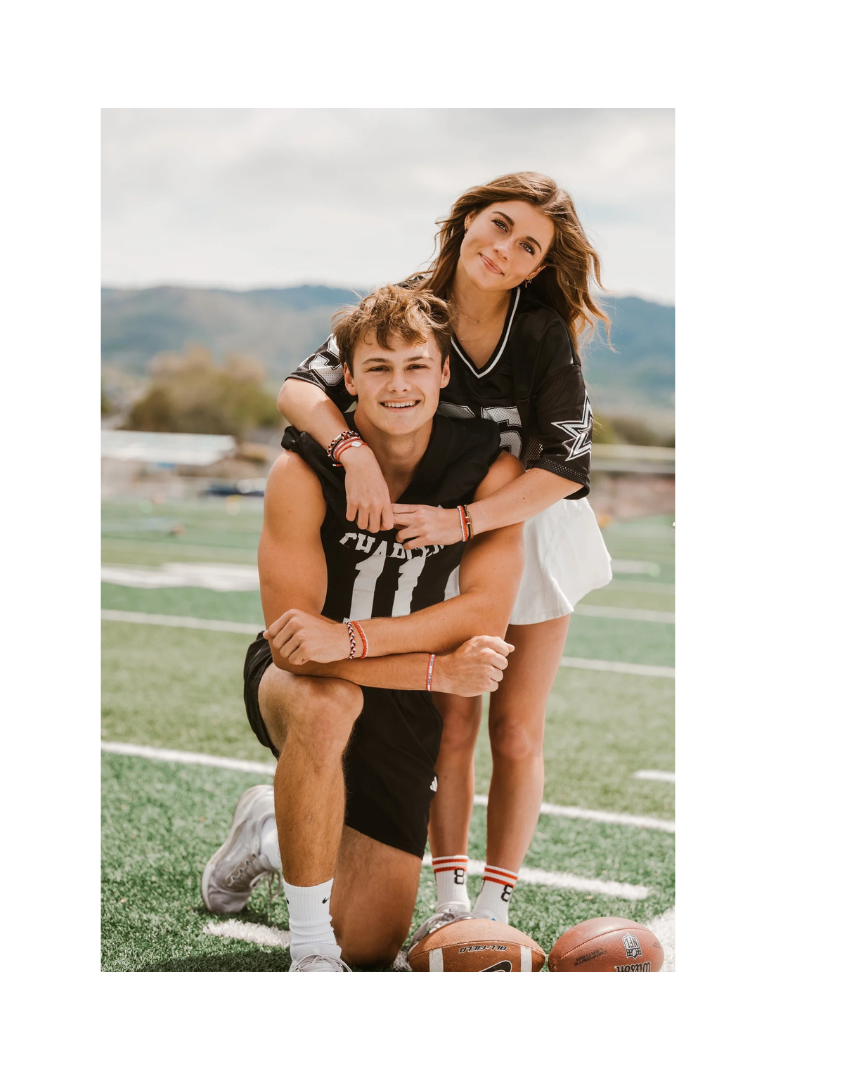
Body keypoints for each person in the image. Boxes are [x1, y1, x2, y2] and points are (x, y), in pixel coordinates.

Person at [276, 172, 612, 939]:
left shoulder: (540, 332)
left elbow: (562, 469)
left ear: (535, 267)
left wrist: (466, 521)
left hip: (518, 522)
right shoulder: (409, 303)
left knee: (517, 729)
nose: (505, 249)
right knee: (451, 725)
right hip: (431, 527)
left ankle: (494, 902)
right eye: (498, 225)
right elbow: (301, 389)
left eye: (527, 246)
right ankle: (449, 901)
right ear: (465, 222)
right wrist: (351, 449)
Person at [201, 285, 525, 971]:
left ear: (443, 373)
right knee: (328, 702)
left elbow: (482, 612)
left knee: (373, 943)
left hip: (397, 694)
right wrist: (436, 670)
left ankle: (268, 832)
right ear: (348, 377)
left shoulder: (488, 468)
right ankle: (312, 956)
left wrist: (351, 641)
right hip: (299, 682)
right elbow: (297, 646)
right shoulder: (303, 468)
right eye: (377, 367)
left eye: (415, 365)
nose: (398, 384)